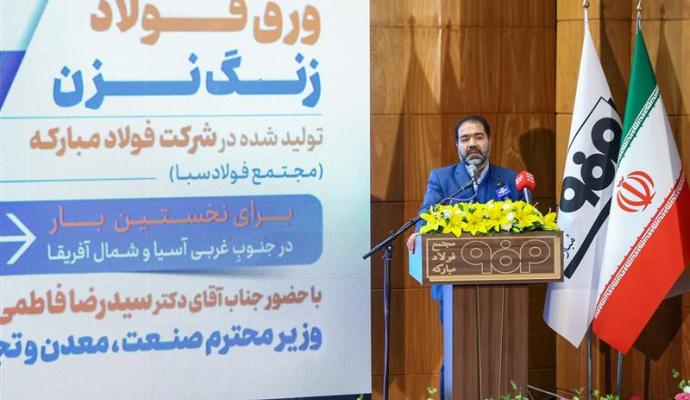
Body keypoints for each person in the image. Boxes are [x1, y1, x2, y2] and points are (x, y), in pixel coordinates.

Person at [405, 115, 521, 399]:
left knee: (503, 354)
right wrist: (420, 233)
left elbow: (523, 220)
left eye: (478, 137)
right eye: (465, 139)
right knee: (458, 353)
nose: (472, 144)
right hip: (452, 284)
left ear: (489, 141)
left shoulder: (509, 179)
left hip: (504, 285)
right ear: (457, 145)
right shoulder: (442, 178)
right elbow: (427, 214)